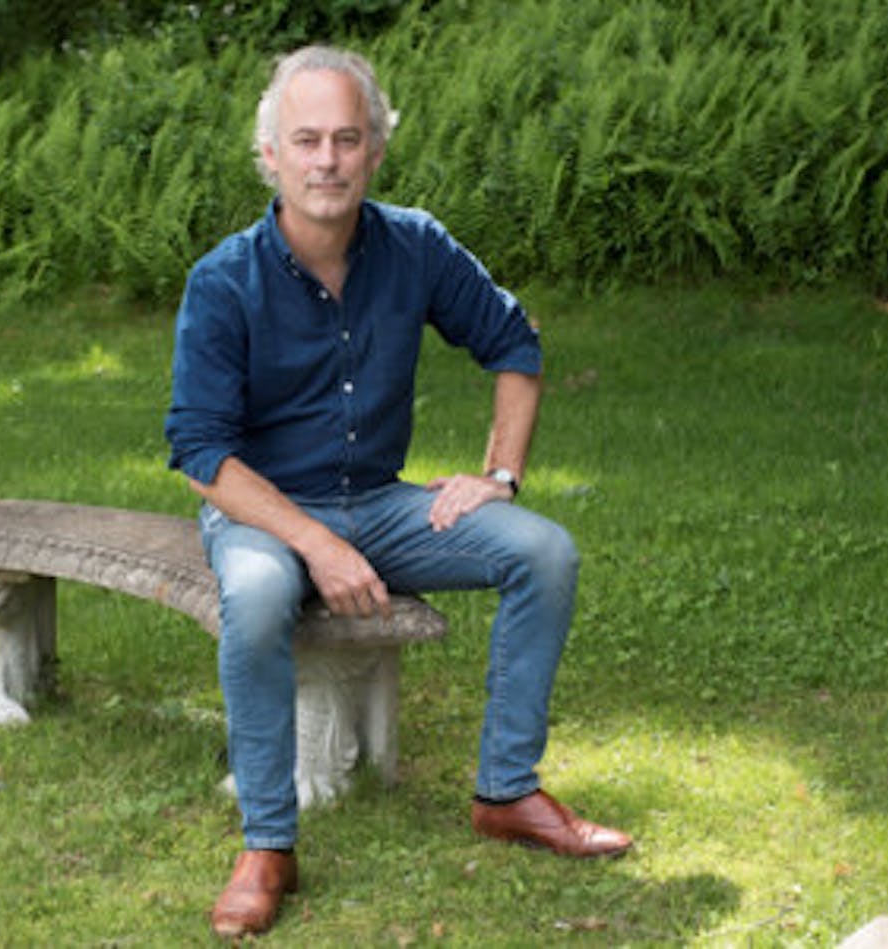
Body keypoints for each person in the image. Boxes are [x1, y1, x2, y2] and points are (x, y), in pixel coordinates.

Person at [165, 44, 632, 939]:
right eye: (306, 140)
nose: (327, 159)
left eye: (347, 138)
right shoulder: (224, 280)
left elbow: (515, 344)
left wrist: (498, 475)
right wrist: (315, 543)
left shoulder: (414, 245)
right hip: (263, 512)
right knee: (260, 593)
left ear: (375, 149)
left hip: (378, 501)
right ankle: (269, 844)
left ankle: (507, 791)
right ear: (271, 155)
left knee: (545, 551)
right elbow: (200, 452)